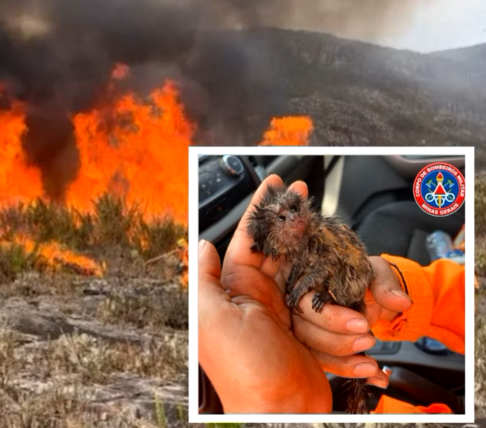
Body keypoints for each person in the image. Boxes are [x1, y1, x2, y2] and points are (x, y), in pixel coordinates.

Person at [198, 174, 465, 414]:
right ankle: (453, 254)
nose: (294, 217)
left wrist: (276, 408)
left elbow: (323, 267)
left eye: (293, 210)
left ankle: (452, 253)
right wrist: (404, 292)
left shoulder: (316, 236)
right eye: (282, 218)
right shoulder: (286, 249)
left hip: (344, 276)